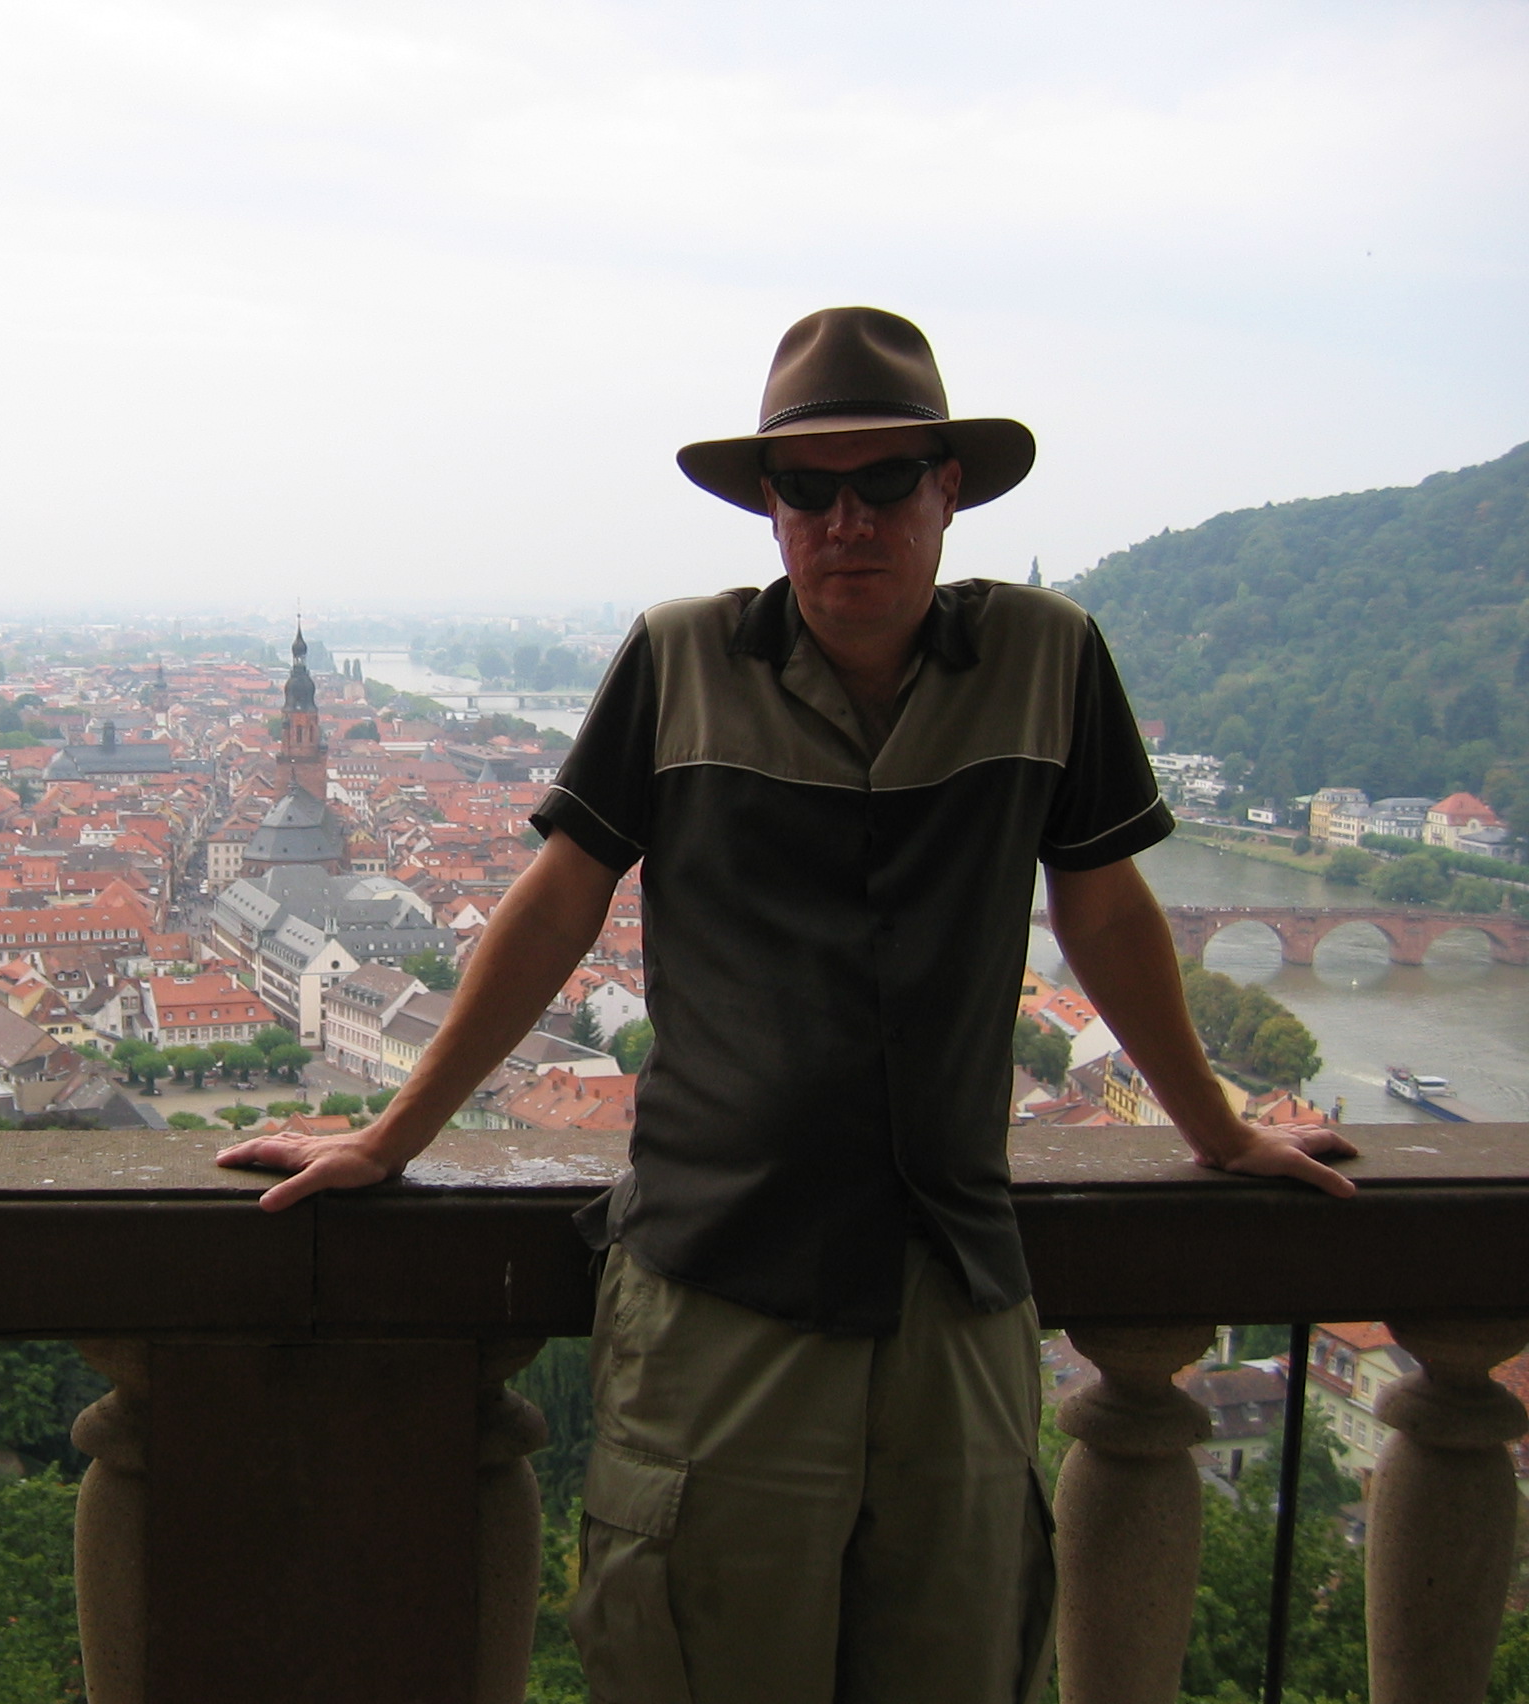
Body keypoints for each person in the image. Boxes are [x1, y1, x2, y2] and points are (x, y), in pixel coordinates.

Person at [216, 306, 1357, 1703]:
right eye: (808, 487)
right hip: (720, 1285)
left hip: (950, 1282)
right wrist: (391, 1137)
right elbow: (558, 906)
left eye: (886, 480)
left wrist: (1222, 1131)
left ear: (950, 488)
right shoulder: (680, 659)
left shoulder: (1047, 656)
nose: (845, 519)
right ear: (769, 507)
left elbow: (1106, 915)